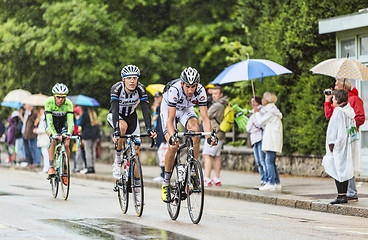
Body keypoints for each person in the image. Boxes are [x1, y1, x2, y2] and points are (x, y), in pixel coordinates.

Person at [160, 67, 217, 202]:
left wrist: (209, 136)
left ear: (197, 85)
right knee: (173, 146)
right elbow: (170, 118)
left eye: (193, 86)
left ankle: (193, 171)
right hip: (169, 111)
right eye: (187, 87)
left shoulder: (201, 90)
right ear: (182, 84)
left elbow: (205, 118)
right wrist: (173, 135)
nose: (190, 90)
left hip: (186, 110)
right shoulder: (174, 90)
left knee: (196, 130)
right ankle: (166, 183)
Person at [107, 65, 157, 179]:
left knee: (136, 153)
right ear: (123, 79)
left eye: (134, 78)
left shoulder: (140, 89)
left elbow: (145, 110)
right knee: (122, 127)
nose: (132, 81)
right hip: (116, 116)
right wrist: (116, 130)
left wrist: (149, 128)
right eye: (129, 78)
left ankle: (137, 188)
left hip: (132, 118)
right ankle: (118, 161)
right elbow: (114, 110)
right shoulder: (117, 88)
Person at [324, 78, 365, 201]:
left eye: (336, 85)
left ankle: (348, 193)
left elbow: (360, 118)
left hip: (344, 140)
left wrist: (347, 131)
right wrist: (327, 102)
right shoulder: (343, 108)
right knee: (346, 165)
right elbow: (329, 115)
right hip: (345, 139)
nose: (334, 87)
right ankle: (345, 193)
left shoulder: (353, 102)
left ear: (343, 87)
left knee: (343, 166)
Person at [253, 92, 283, 191]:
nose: (261, 100)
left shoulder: (271, 111)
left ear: (266, 100)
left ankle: (271, 182)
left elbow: (261, 121)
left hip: (272, 139)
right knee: (271, 161)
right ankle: (276, 182)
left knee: (268, 161)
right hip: (272, 138)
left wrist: (257, 113)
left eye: (263, 98)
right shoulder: (272, 111)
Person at [45, 83, 74, 178]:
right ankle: (50, 166)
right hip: (51, 123)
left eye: (63, 97)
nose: (61, 99)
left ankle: (65, 167)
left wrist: (69, 133)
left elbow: (70, 122)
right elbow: (49, 122)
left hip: (62, 124)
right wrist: (54, 134)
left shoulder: (69, 103)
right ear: (54, 96)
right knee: (53, 139)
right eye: (58, 97)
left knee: (66, 143)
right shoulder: (49, 102)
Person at [203, 86, 228, 187]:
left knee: (207, 155)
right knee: (216, 156)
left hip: (214, 133)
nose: (213, 96)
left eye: (215, 94)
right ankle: (217, 178)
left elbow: (205, 116)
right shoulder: (224, 104)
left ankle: (207, 178)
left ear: (221, 95)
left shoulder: (217, 105)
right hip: (221, 133)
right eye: (212, 94)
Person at [246, 96, 267, 189]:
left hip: (260, 138)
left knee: (263, 161)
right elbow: (248, 128)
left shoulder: (261, 112)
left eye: (254, 101)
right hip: (254, 139)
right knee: (258, 161)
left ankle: (267, 180)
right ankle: (262, 180)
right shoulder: (252, 114)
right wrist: (254, 125)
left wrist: (255, 125)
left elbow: (260, 124)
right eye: (251, 102)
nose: (252, 104)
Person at [76, 107, 100, 174]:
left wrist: (78, 117)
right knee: (93, 151)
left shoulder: (85, 114)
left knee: (88, 151)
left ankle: (89, 167)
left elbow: (79, 123)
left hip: (87, 135)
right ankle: (93, 167)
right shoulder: (94, 113)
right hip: (95, 134)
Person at [152, 91, 167, 183]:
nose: (156, 99)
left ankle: (164, 174)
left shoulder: (164, 107)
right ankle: (163, 173)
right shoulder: (157, 108)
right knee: (161, 154)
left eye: (158, 97)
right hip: (158, 133)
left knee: (164, 154)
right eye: (155, 97)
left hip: (163, 134)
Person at [34, 107, 50, 173]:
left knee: (45, 153)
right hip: (42, 139)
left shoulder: (44, 118)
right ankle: (46, 167)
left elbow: (45, 129)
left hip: (44, 138)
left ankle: (47, 167)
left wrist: (37, 130)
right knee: (44, 153)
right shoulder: (40, 118)